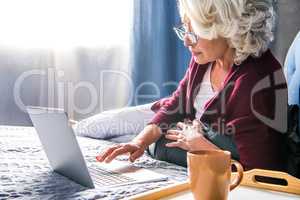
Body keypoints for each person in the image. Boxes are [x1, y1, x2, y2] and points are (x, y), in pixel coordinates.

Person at [97, 0, 287, 171]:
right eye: (185, 31)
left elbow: (259, 173)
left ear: (227, 28)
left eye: (194, 33)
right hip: (198, 131)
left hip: (232, 158)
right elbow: (178, 103)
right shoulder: (205, 58)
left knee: (160, 142)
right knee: (108, 128)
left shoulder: (256, 79)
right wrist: (139, 142)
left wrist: (199, 144)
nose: (187, 41)